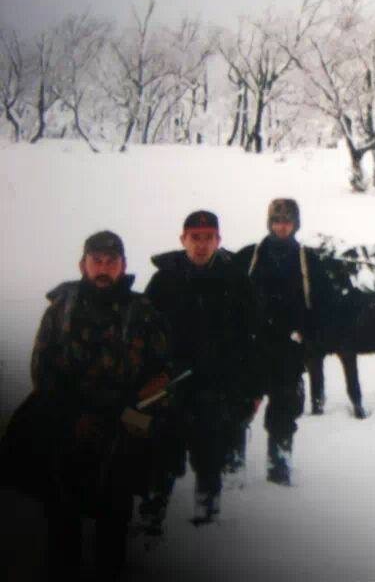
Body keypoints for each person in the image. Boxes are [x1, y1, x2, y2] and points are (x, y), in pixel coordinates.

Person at [28, 231, 172, 578]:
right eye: (97, 261)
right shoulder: (61, 308)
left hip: (121, 429)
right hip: (69, 428)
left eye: (111, 261)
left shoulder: (144, 312)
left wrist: (142, 410)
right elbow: (42, 369)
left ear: (123, 266)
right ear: (83, 264)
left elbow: (163, 372)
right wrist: (70, 417)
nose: (103, 268)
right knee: (62, 524)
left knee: (114, 524)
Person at [143, 211, 258, 524]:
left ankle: (207, 520)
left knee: (209, 459)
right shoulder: (164, 279)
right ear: (183, 240)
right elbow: (142, 334)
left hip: (216, 388)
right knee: (160, 459)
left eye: (209, 238)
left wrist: (250, 389)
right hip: (170, 386)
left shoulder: (236, 279)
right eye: (196, 237)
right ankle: (151, 522)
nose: (202, 245)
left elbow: (251, 338)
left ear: (218, 241)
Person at [235, 199, 322, 485]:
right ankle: (232, 467)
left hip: (289, 349)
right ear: (269, 223)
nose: (282, 226)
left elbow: (320, 304)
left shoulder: (307, 259)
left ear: (296, 224)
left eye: (288, 221)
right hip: (253, 347)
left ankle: (279, 466)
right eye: (277, 220)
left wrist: (307, 336)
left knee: (285, 410)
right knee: (239, 408)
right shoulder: (251, 256)